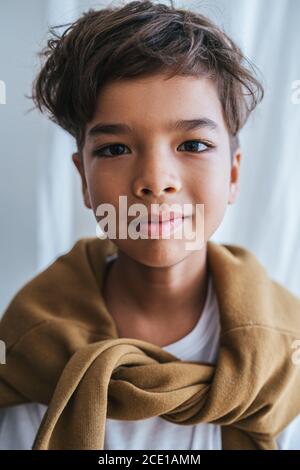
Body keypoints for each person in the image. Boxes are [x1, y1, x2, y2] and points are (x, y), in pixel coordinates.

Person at [0, 0, 299, 450]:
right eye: (116, 149)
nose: (156, 181)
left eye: (193, 144)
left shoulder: (287, 361)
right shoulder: (24, 350)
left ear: (233, 174)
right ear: (84, 179)